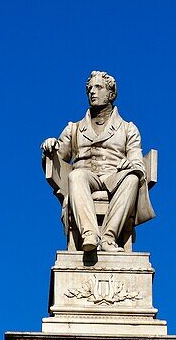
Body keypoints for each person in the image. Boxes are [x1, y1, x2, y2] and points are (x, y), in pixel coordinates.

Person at [41, 71, 154, 253]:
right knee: (76, 175)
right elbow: (57, 158)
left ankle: (109, 238)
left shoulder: (128, 128)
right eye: (90, 89)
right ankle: (89, 234)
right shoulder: (74, 128)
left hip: (115, 178)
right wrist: (50, 147)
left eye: (98, 87)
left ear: (111, 94)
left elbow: (137, 161)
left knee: (132, 178)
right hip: (86, 177)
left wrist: (131, 166)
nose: (92, 92)